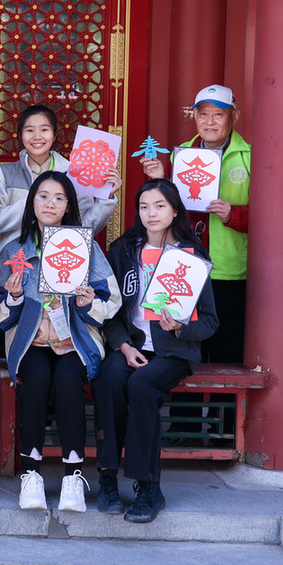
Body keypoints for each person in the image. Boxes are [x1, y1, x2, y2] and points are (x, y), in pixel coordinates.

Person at [0, 103, 121, 454]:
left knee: (65, 370)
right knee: (23, 353)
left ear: (55, 134)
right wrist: (36, 203)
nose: (37, 136)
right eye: (29, 130)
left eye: (44, 129)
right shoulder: (6, 172)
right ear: (20, 136)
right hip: (19, 263)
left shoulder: (73, 169)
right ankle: (8, 422)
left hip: (64, 268)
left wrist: (106, 195)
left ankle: (61, 440)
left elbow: (84, 222)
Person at [0, 171, 121, 513]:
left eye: (59, 198)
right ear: (32, 202)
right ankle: (30, 473)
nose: (50, 203)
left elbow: (112, 300)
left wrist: (87, 301)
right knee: (37, 380)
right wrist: (14, 298)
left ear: (68, 206)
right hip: (32, 343)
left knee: (66, 380)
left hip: (74, 341)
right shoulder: (14, 250)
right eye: (42, 196)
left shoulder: (85, 247)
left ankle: (73, 475)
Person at [94, 179, 218, 523]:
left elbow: (209, 321)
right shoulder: (122, 251)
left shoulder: (191, 258)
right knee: (109, 380)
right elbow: (111, 311)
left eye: (160, 206)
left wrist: (180, 326)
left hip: (173, 352)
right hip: (129, 344)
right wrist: (122, 345)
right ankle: (106, 478)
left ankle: (148, 486)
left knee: (142, 385)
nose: (151, 213)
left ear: (175, 210)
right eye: (144, 206)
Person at [140, 84, 249, 442]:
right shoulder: (182, 155)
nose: (210, 121)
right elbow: (166, 207)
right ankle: (185, 427)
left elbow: (274, 215)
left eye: (218, 114)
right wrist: (159, 179)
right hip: (182, 266)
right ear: (195, 117)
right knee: (184, 345)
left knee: (226, 351)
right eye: (203, 114)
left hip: (229, 268)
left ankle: (223, 430)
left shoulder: (249, 156)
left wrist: (234, 214)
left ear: (233, 116)